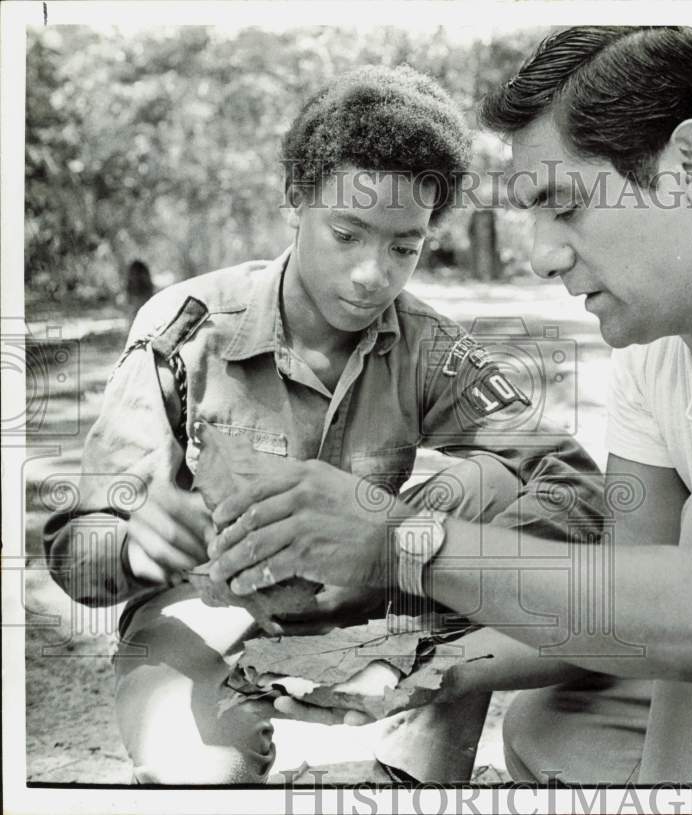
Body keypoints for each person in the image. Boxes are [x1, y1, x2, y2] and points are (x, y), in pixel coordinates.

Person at [209, 27, 692, 786]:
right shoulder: (656, 344)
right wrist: (419, 664)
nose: (542, 252)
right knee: (560, 727)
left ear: (689, 166)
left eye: (566, 207)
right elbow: (620, 594)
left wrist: (402, 541)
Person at [42, 64, 606, 784]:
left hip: (377, 610)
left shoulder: (430, 345)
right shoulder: (184, 333)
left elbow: (576, 487)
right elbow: (73, 552)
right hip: (209, 606)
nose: (373, 273)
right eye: (347, 233)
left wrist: (422, 557)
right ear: (294, 201)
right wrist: (129, 547)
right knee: (199, 770)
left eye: (404, 246)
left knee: (492, 483)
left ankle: (410, 766)